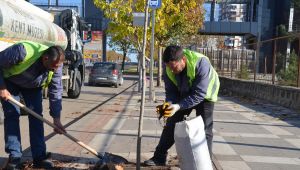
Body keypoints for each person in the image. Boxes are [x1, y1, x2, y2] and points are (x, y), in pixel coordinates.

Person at [144, 45, 220, 166]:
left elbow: (199, 94)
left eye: (174, 67)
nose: (172, 70)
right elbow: (171, 91)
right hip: (184, 92)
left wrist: (178, 106)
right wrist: (169, 105)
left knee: (205, 129)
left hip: (205, 95)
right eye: (169, 67)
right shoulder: (168, 67)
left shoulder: (201, 63)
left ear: (183, 60)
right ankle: (159, 157)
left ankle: (205, 164)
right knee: (171, 125)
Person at [0, 41, 66, 169]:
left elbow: (56, 91)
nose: (55, 69)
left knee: (36, 117)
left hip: (33, 87)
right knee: (12, 115)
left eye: (57, 66)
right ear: (45, 58)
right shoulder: (22, 51)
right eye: (53, 66)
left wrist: (56, 119)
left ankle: (39, 156)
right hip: (10, 82)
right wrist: (2, 88)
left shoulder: (57, 64)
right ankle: (15, 156)